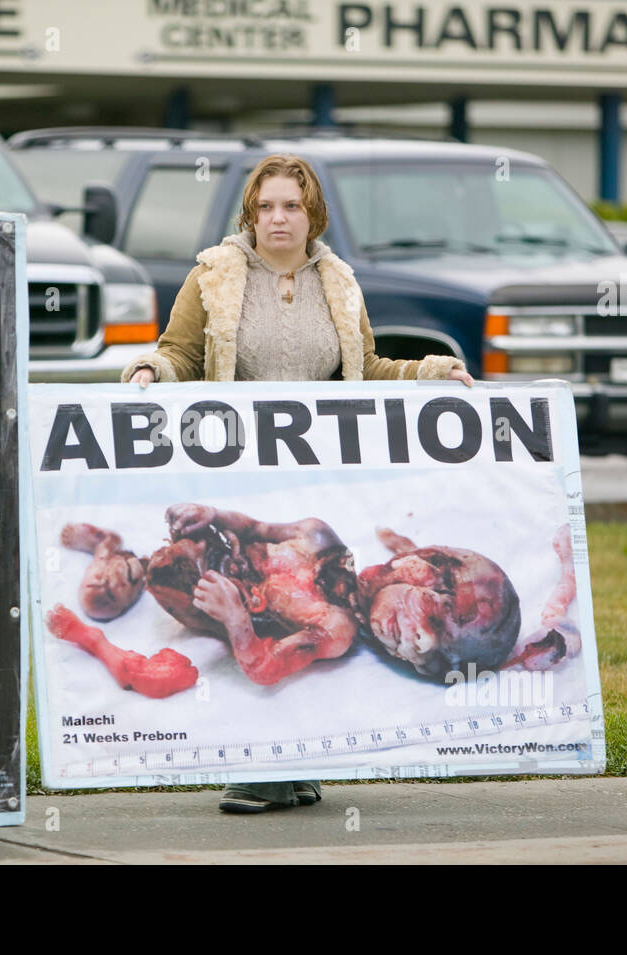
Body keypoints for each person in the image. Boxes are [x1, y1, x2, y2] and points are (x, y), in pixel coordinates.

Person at [121, 154, 474, 813]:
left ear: (313, 215)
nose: (276, 218)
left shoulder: (339, 282)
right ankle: (261, 768)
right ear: (249, 215)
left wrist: (429, 373)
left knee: (302, 612)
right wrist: (149, 372)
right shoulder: (213, 276)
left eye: (290, 206)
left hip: (313, 478)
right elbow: (178, 353)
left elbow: (364, 367)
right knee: (259, 609)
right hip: (237, 468)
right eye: (265, 207)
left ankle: (293, 766)